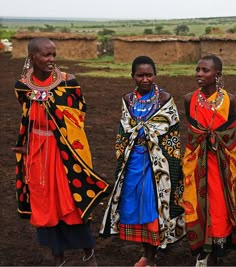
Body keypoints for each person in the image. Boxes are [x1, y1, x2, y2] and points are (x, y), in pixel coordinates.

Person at [12, 37, 111, 266]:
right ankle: (59, 258)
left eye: (54, 55)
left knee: (72, 199)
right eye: (46, 55)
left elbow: (79, 115)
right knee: (45, 202)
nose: (51, 60)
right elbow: (26, 118)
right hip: (38, 152)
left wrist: (55, 116)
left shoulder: (69, 82)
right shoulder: (22, 85)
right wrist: (24, 145)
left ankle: (88, 253)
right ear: (32, 58)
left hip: (66, 151)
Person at [100, 56, 185, 267]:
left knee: (153, 206)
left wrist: (165, 158)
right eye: (140, 75)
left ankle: (151, 256)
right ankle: (145, 253)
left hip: (157, 164)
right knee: (133, 205)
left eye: (149, 75)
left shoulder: (165, 99)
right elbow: (123, 131)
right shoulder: (128, 100)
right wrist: (123, 155)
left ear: (155, 75)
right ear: (132, 76)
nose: (145, 79)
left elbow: (172, 132)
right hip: (133, 162)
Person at [180, 54, 236, 266]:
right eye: (198, 70)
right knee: (198, 205)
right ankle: (205, 250)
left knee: (220, 207)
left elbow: (231, 132)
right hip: (197, 165)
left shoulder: (230, 100)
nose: (199, 74)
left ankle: (217, 253)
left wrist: (217, 140)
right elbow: (193, 131)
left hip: (223, 166)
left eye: (205, 71)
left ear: (217, 75)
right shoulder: (189, 99)